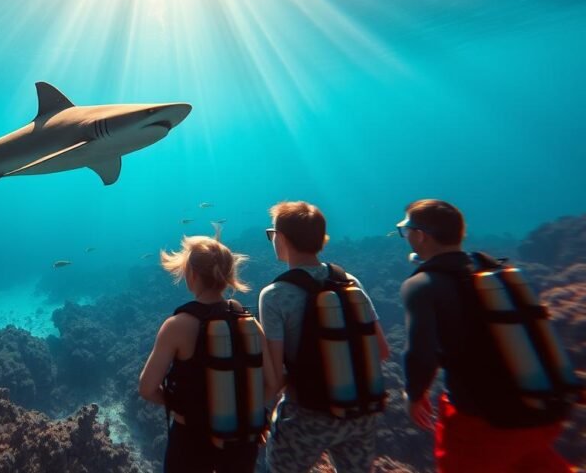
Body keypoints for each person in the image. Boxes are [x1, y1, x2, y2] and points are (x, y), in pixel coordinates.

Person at [398, 199, 575, 472]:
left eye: (405, 230)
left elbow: (420, 353)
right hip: (540, 412)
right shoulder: (493, 270)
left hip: (482, 423)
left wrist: (413, 394)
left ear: (420, 236)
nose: (406, 236)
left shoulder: (420, 285)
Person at [259, 201, 390, 473]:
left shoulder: (274, 295)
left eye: (272, 234)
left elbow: (274, 377)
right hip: (361, 413)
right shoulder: (350, 281)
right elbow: (382, 349)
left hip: (307, 416)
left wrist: (257, 414)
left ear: (281, 239)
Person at [139, 233, 276, 473]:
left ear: (191, 274)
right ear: (229, 275)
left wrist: (182, 407)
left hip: (190, 440)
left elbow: (147, 388)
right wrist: (241, 410)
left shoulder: (177, 325)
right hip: (241, 443)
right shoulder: (250, 322)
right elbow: (274, 383)